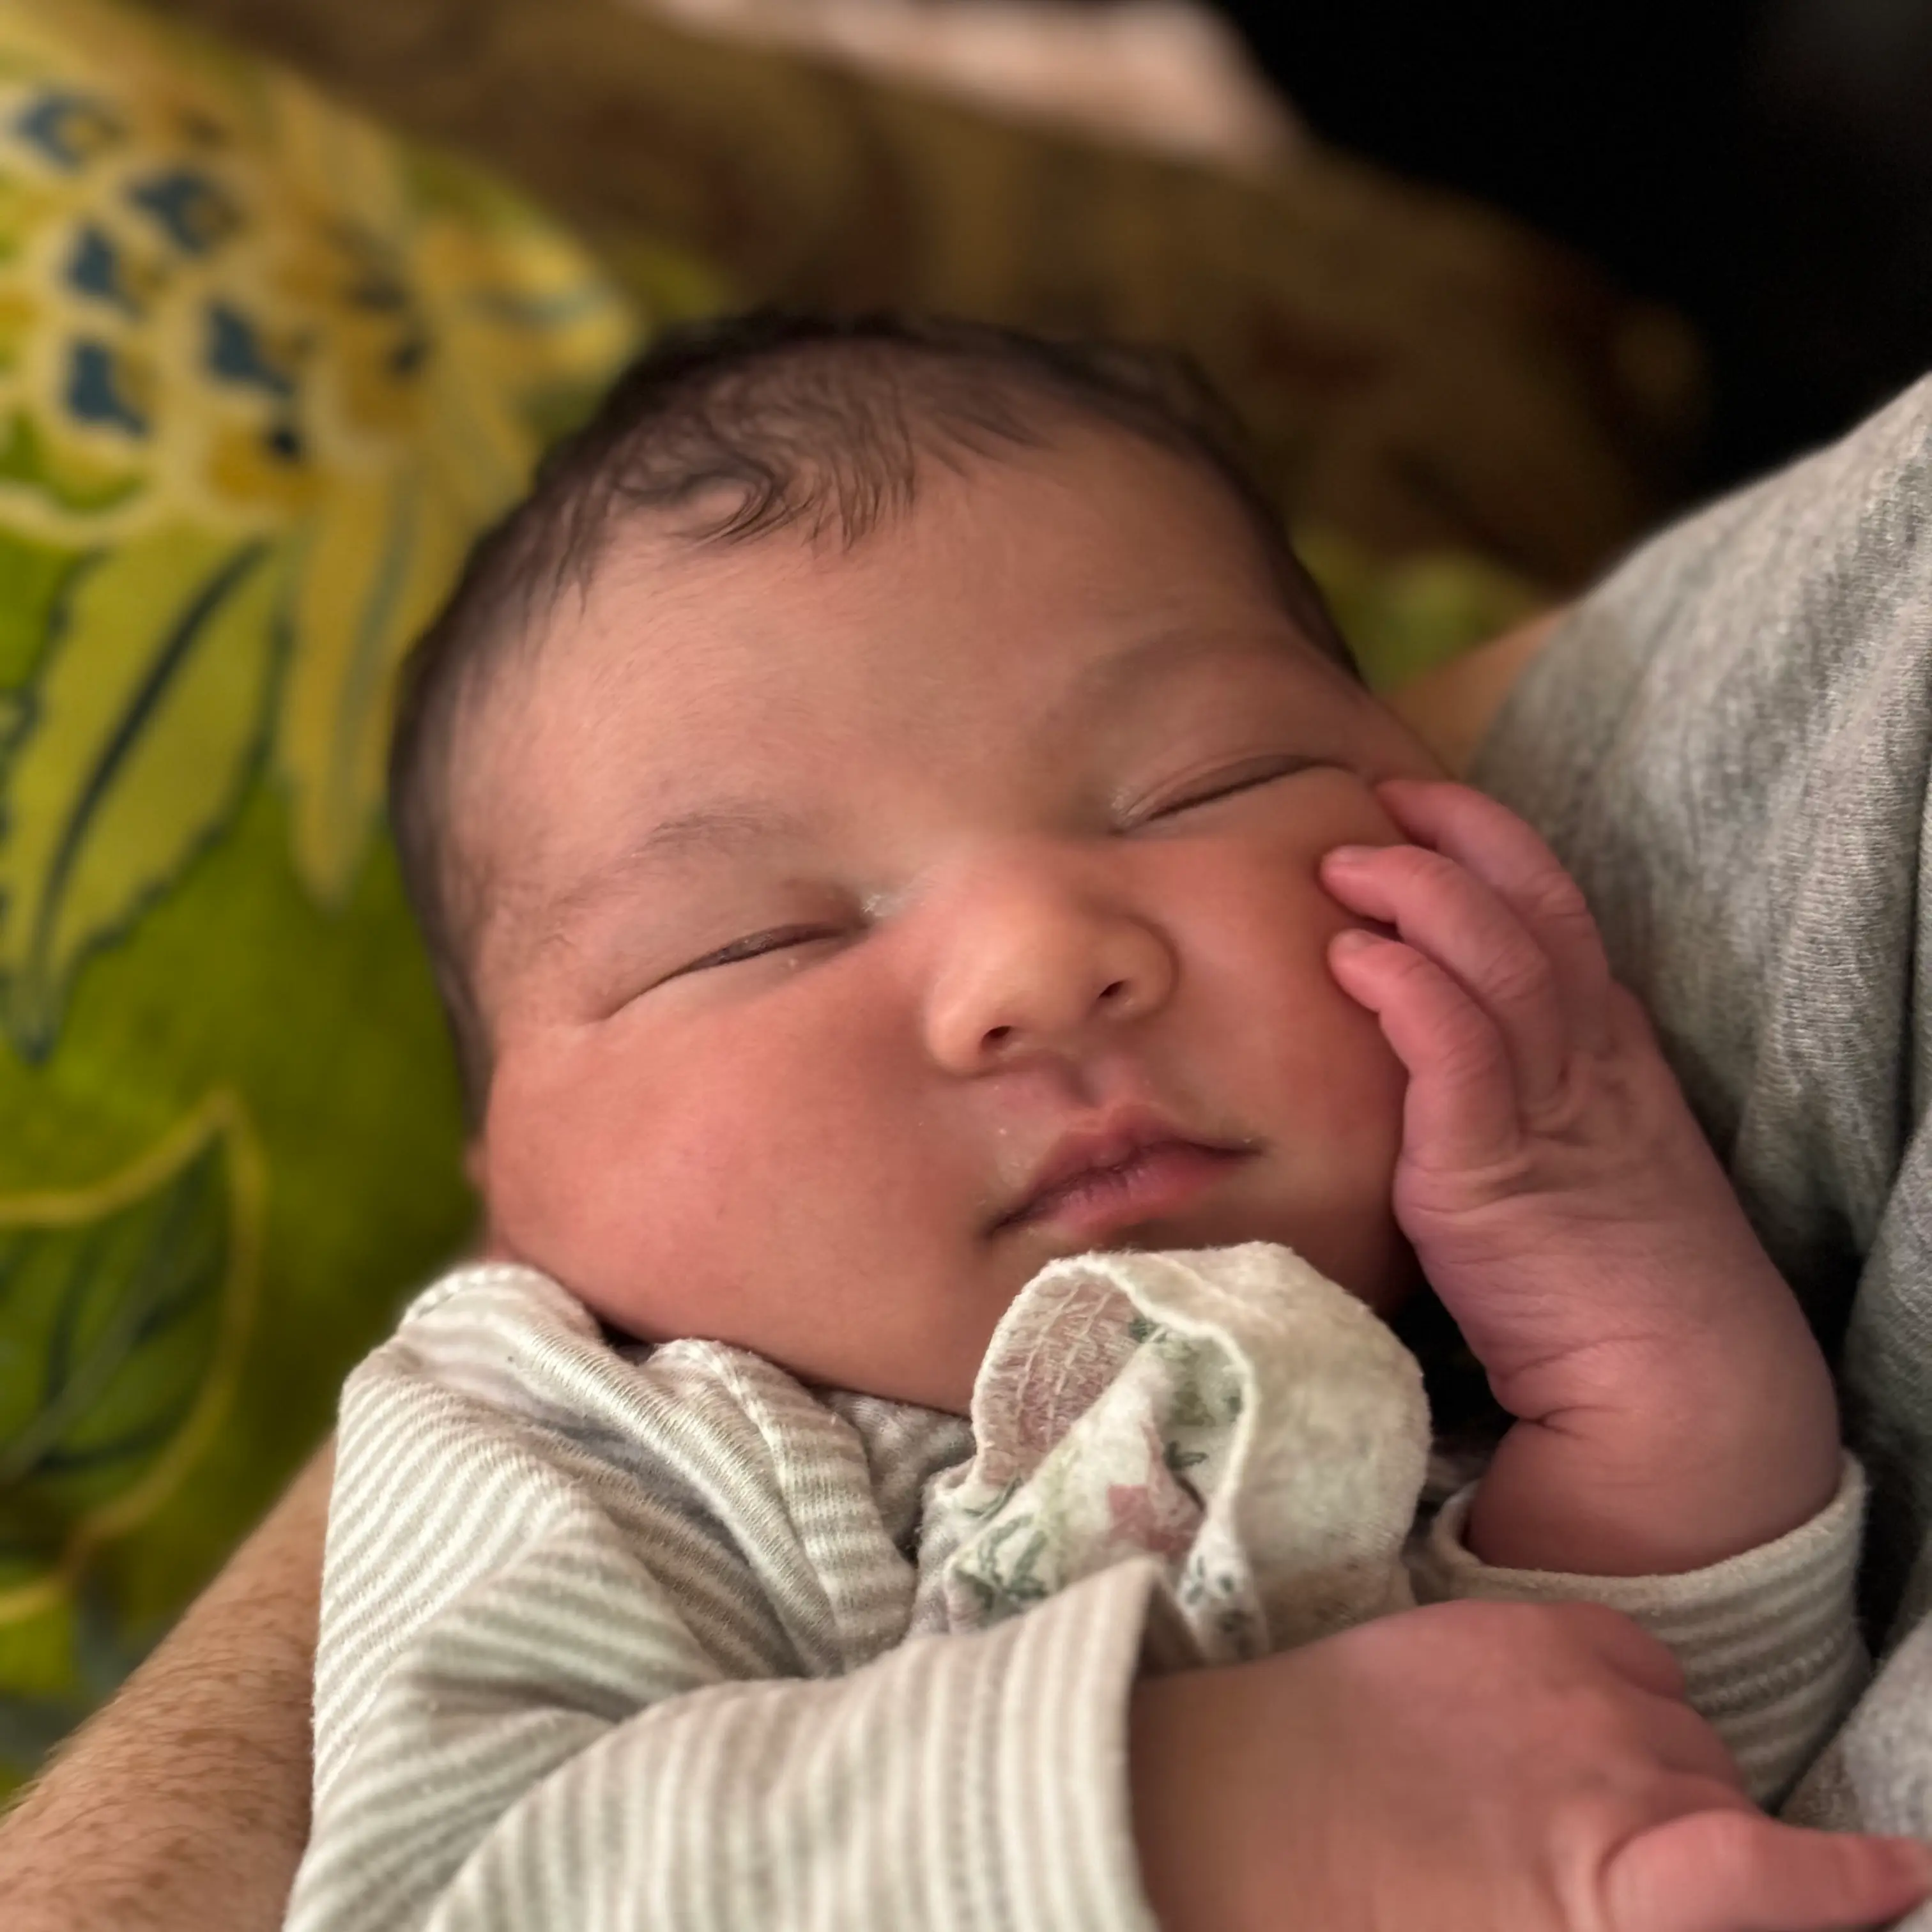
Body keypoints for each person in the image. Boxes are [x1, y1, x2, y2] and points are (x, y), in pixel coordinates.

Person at [9, 312, 1932, 1932]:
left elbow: (1653, 1770)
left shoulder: (1442, 1346)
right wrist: (1196, 1813)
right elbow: (455, 1884)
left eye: (1204, 783)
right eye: (751, 938)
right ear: (515, 1198)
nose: (1034, 953)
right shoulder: (607, 1444)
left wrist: (1657, 1392)